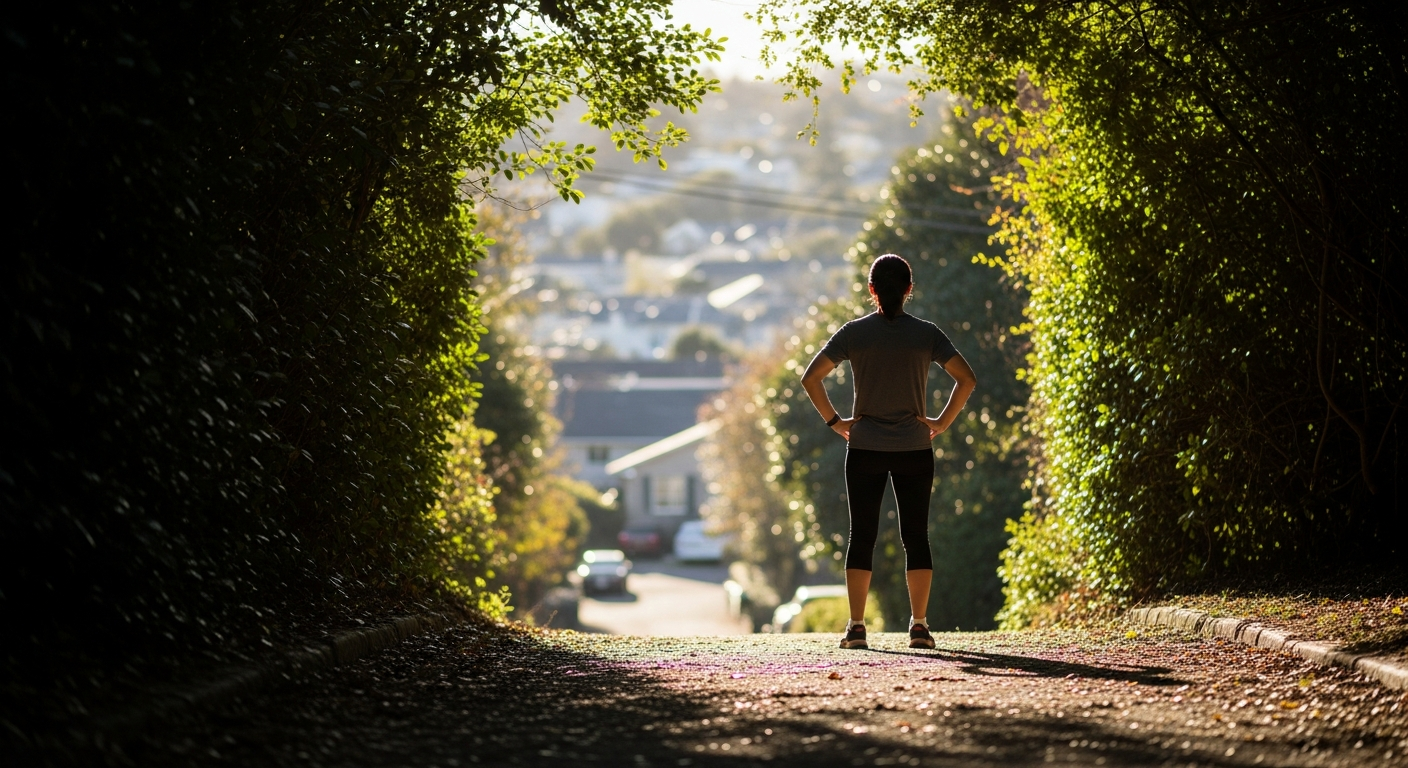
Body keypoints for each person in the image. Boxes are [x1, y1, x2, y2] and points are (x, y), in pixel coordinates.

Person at [800, 254, 977, 650]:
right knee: (916, 536)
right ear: (909, 289)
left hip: (864, 446)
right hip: (915, 446)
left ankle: (857, 627)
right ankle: (919, 627)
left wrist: (836, 422)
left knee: (861, 536)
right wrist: (941, 422)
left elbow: (811, 378)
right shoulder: (927, 334)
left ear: (872, 290)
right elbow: (966, 379)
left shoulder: (854, 333)